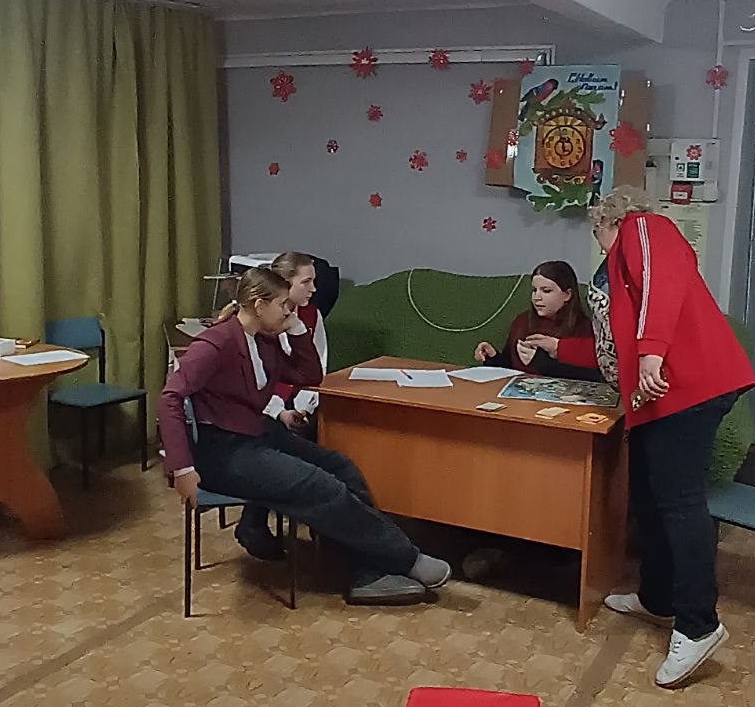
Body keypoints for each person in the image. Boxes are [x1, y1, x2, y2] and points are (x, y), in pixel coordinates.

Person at [159, 265, 451, 606]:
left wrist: (297, 331)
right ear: (258, 305)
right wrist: (182, 467)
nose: (290, 310)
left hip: (256, 433)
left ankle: (364, 571)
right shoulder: (217, 342)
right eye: (284, 305)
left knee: (341, 468)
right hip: (222, 450)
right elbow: (170, 398)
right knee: (319, 486)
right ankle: (404, 558)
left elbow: (309, 375)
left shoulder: (263, 340)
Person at [589, 186, 755, 687]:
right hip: (660, 396)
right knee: (647, 493)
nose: (598, 245)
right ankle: (657, 597)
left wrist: (652, 352)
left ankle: (699, 624)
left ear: (609, 221)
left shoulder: (643, 229)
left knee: (679, 502)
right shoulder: (625, 256)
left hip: (688, 386)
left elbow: (663, 287)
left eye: (597, 233)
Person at [474, 260, 601, 380]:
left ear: (567, 295)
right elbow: (509, 367)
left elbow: (590, 378)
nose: (536, 297)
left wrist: (541, 363)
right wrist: (493, 357)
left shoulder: (585, 328)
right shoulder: (522, 321)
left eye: (546, 291)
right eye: (534, 290)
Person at [265, 251, 327, 432]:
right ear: (285, 283)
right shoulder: (264, 318)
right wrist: (278, 411)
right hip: (268, 406)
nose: (313, 289)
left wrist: (304, 407)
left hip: (304, 402)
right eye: (306, 282)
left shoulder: (312, 315)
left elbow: (320, 363)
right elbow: (257, 377)